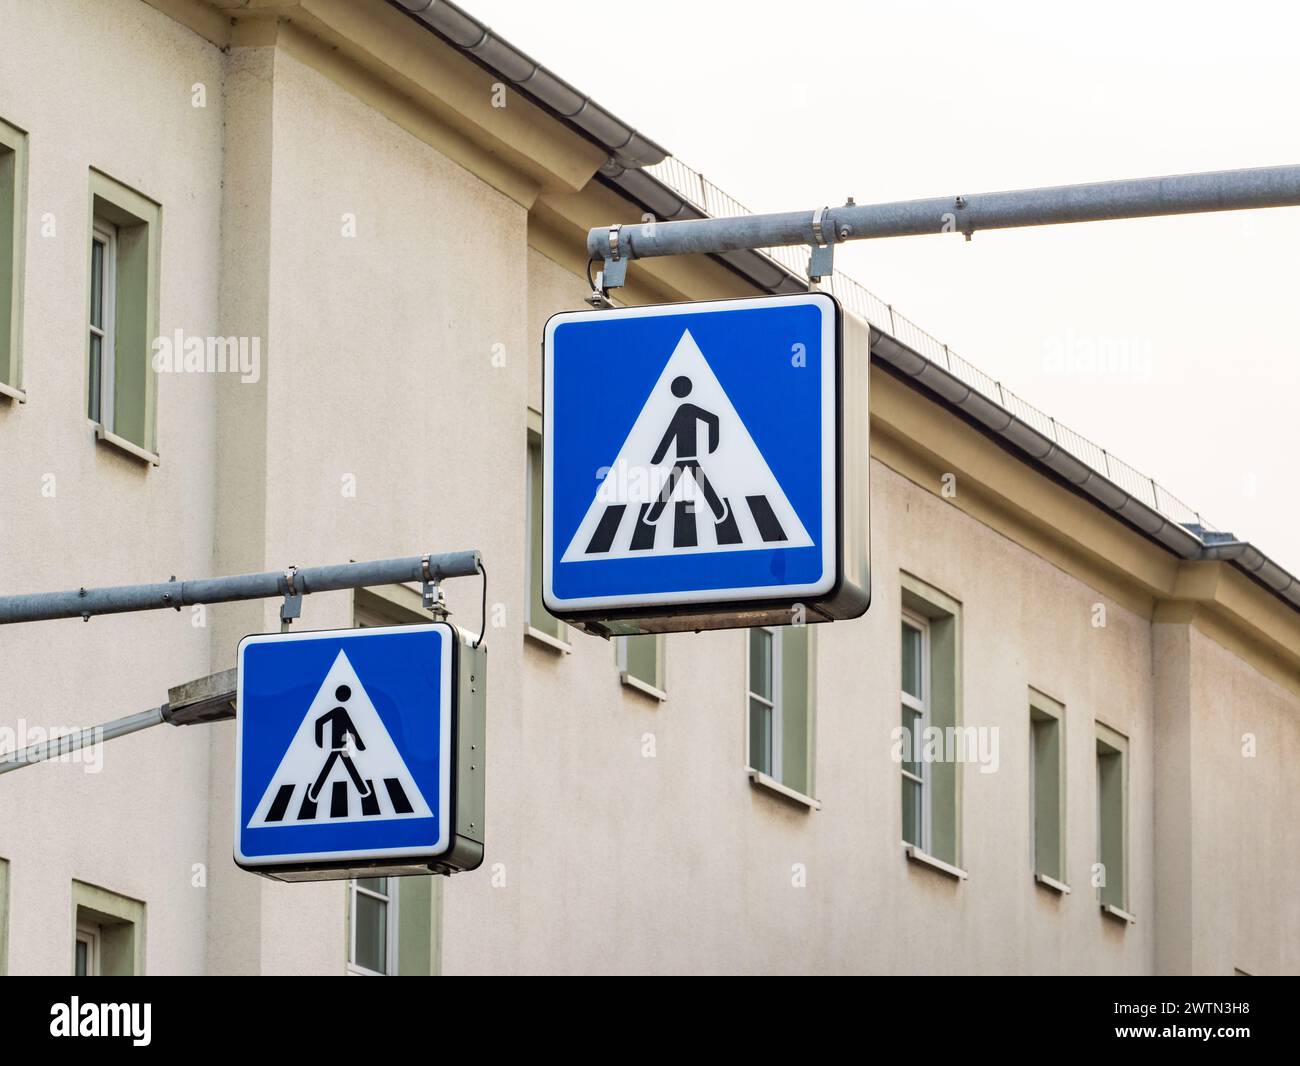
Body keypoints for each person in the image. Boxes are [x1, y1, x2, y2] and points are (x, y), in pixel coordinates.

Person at [645, 375, 727, 522]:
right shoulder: (684, 409)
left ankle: (653, 517)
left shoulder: (686, 409)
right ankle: (719, 513)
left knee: (673, 487)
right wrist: (658, 457)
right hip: (683, 457)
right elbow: (670, 434)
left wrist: (712, 445)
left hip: (687, 457)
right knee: (677, 486)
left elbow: (670, 435)